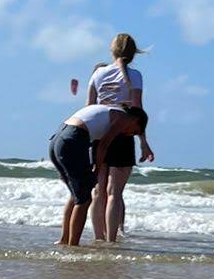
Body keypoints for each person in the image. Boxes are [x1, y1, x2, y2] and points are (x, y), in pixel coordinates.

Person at [49, 100, 150, 247]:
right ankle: (73, 246)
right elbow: (103, 145)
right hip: (73, 140)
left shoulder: (107, 110)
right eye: (135, 131)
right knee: (84, 200)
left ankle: (65, 240)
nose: (130, 135)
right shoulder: (124, 118)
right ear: (136, 120)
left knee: (76, 195)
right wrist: (96, 169)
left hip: (58, 139)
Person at [85, 33, 155, 243]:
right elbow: (137, 112)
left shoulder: (97, 74)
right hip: (123, 133)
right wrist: (143, 141)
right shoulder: (136, 76)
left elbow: (89, 108)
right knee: (114, 192)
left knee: (99, 191)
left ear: (112, 51)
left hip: (99, 132)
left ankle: (98, 238)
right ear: (133, 54)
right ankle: (111, 241)